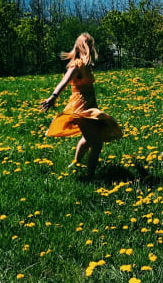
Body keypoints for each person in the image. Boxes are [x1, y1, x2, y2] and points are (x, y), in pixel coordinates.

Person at [40, 33, 122, 177]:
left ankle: (76, 164)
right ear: (83, 47)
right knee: (96, 144)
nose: (91, 48)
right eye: (89, 45)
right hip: (81, 108)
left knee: (87, 139)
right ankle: (90, 176)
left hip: (90, 105)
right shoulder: (77, 65)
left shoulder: (86, 66)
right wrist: (53, 97)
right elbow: (64, 82)